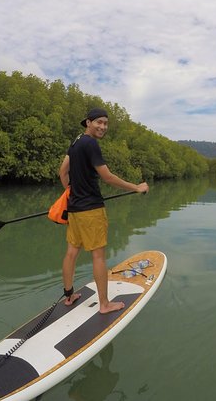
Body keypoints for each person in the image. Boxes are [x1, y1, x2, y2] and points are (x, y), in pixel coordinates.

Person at [59, 108, 149, 313]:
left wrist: (71, 192)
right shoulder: (91, 144)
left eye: (106, 123)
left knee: (72, 252)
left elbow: (63, 171)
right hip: (91, 209)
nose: (103, 127)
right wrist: (136, 187)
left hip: (74, 208)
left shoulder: (76, 142)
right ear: (88, 122)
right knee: (98, 256)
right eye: (99, 122)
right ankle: (104, 304)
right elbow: (107, 177)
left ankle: (69, 295)